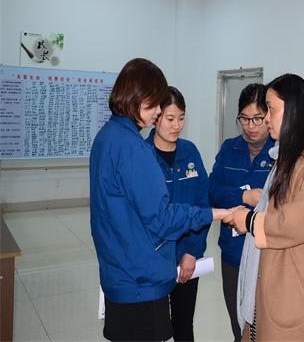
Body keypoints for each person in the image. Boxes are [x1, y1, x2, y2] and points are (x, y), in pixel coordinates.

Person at [90, 58, 235, 342]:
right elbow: (163, 218)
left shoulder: (107, 137)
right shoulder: (135, 149)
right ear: (136, 96)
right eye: (156, 104)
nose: (158, 112)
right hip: (140, 278)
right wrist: (214, 214)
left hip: (120, 270)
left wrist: (192, 247)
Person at [224, 74, 304, 341]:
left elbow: (294, 223)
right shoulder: (291, 153)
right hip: (277, 277)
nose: (266, 118)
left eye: (270, 109)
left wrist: (250, 221)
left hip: (296, 288)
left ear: (293, 110)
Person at [208, 83, 275, 341]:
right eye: (245, 119)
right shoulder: (229, 148)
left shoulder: (279, 153)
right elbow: (212, 191)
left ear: (268, 115)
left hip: (266, 254)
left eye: (258, 118)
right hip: (233, 253)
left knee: (265, 326)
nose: (251, 126)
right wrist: (244, 196)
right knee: (239, 325)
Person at [146, 86, 210, 342]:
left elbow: (202, 204)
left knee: (184, 326)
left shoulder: (190, 152)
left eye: (181, 118)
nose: (177, 126)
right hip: (152, 261)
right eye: (170, 119)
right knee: (153, 329)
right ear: (156, 117)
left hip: (187, 258)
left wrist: (192, 251)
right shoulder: (142, 155)